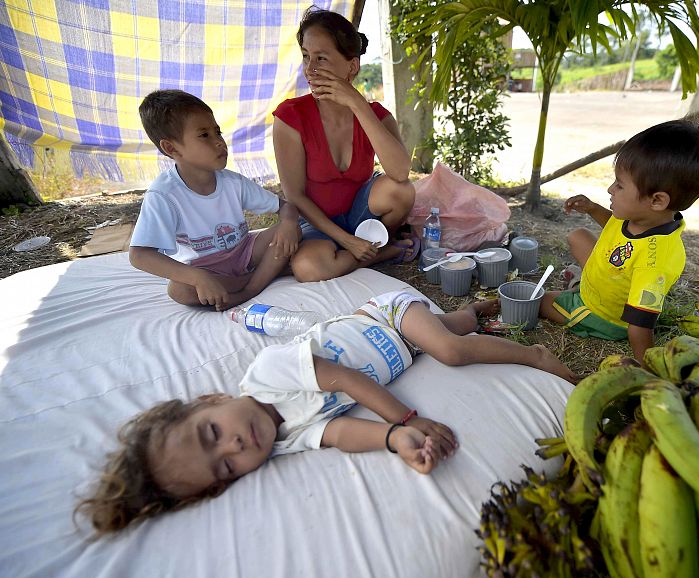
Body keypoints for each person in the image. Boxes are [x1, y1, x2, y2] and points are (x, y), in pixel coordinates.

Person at [78, 291, 577, 533]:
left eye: (212, 433)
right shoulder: (281, 441)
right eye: (225, 467)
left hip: (384, 315)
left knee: (450, 349)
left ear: (210, 402)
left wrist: (404, 420)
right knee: (452, 328)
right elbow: (337, 433)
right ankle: (481, 309)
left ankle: (535, 357)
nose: (234, 447)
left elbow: (344, 379)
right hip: (407, 346)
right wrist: (394, 443)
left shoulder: (267, 375)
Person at [538, 120, 699, 364]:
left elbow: (640, 326)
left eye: (620, 185)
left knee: (537, 300)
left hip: (604, 314)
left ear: (657, 200)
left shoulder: (654, 262)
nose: (611, 189)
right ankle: (582, 280)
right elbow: (614, 226)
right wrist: (592, 209)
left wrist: (646, 369)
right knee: (578, 235)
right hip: (612, 275)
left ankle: (582, 298)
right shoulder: (643, 218)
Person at [273, 7, 418, 283]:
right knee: (308, 267)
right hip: (315, 222)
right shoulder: (290, 117)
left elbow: (400, 174)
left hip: (361, 216)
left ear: (351, 66)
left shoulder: (376, 115)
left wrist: (356, 103)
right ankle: (379, 252)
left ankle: (365, 247)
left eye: (322, 58)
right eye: (306, 57)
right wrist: (347, 241)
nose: (310, 70)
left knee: (401, 192)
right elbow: (295, 196)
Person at [131, 90, 301, 311]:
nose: (220, 142)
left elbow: (286, 208)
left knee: (292, 230)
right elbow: (139, 255)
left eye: (217, 132)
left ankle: (251, 288)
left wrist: (288, 224)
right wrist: (198, 278)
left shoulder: (232, 182)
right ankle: (268, 273)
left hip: (244, 253)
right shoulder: (163, 195)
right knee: (179, 290)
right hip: (202, 268)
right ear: (171, 148)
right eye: (204, 135)